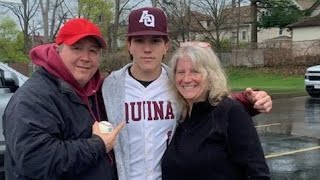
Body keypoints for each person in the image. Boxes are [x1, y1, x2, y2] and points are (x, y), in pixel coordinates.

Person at [102, 7, 272, 180]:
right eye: (139, 41)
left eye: (155, 41)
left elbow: (211, 105)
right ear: (129, 45)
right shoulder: (109, 87)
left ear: (166, 46)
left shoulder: (173, 81)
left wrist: (249, 101)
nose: (147, 49)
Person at [2, 18, 124, 180]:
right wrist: (97, 145)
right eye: (77, 48)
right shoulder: (33, 97)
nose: (86, 57)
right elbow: (36, 160)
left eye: (93, 51)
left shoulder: (96, 91)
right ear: (57, 49)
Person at [161, 41, 270, 179]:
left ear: (210, 75)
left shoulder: (231, 112)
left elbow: (258, 174)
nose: (186, 79)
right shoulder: (181, 116)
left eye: (195, 71)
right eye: (180, 72)